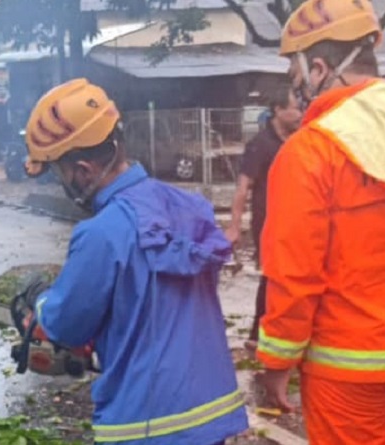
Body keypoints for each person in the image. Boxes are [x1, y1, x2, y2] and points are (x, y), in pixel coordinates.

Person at [24, 79, 248, 445]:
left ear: (83, 169)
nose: (62, 184)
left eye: (60, 173)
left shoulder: (100, 234)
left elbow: (68, 325)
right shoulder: (191, 207)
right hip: (210, 413)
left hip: (147, 424)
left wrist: (41, 304)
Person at [257, 1, 385, 444]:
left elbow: (294, 274)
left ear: (320, 69)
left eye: (297, 76)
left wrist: (277, 362)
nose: (298, 87)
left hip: (346, 369)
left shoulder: (310, 152)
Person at [225, 85, 302, 351]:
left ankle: (282, 332)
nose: (299, 113)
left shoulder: (295, 140)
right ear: (278, 110)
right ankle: (258, 335)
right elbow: (242, 188)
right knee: (272, 275)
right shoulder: (260, 145)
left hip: (295, 220)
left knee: (292, 276)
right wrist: (235, 226)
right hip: (268, 223)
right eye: (295, 108)